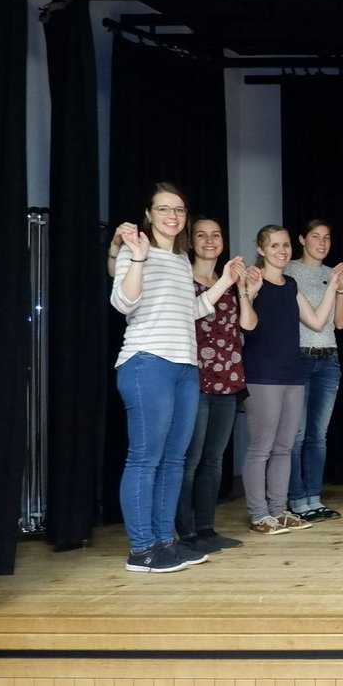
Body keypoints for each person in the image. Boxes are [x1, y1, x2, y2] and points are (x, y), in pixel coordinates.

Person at [109, 182, 244, 573]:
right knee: (145, 459)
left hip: (186, 368)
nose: (173, 216)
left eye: (179, 210)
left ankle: (165, 542)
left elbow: (193, 310)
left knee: (173, 461)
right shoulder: (137, 252)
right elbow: (123, 302)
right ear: (149, 214)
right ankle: (141, 550)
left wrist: (225, 282)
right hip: (147, 362)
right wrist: (137, 257)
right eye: (164, 209)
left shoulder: (181, 259)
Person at [240, 225, 343, 535]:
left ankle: (279, 510)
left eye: (285, 245)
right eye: (274, 245)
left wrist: (334, 287)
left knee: (284, 447)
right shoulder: (254, 280)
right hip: (263, 374)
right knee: (261, 448)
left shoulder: (290, 284)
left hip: (292, 373)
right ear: (261, 249)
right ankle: (260, 514)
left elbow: (316, 320)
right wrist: (248, 292)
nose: (282, 250)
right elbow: (246, 325)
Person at [175, 216, 247, 555]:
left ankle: (206, 528)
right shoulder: (182, 279)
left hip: (228, 380)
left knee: (214, 459)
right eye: (201, 235)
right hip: (195, 379)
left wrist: (246, 289)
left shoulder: (229, 282)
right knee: (190, 460)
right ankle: (186, 532)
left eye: (216, 235)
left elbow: (241, 328)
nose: (209, 241)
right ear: (191, 242)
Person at [284, 220, 343, 521]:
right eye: (315, 237)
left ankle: (313, 498)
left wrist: (341, 289)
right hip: (299, 357)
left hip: (328, 359)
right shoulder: (288, 270)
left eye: (327, 237)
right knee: (296, 435)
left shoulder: (332, 273)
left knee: (317, 436)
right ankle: (296, 499)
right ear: (301, 239)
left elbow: (341, 323)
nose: (322, 243)